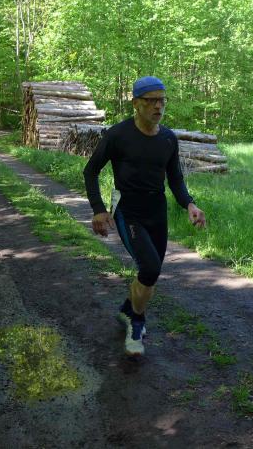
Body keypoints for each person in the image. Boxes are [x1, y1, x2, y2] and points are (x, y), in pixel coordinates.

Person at [83, 75, 207, 357]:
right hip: (129, 212)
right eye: (151, 101)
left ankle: (128, 310)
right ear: (136, 103)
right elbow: (91, 171)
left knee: (150, 275)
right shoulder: (117, 135)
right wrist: (99, 209)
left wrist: (190, 204)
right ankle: (137, 323)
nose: (158, 106)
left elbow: (175, 179)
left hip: (157, 212)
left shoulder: (168, 138)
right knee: (150, 269)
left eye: (162, 100)